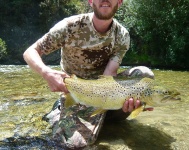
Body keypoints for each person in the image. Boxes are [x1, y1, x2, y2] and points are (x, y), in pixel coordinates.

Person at [23, 0, 154, 149]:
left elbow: (109, 75)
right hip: (75, 91)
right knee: (75, 145)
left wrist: (136, 102)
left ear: (119, 2)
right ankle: (61, 107)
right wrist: (46, 73)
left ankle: (104, 115)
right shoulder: (69, 26)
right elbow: (30, 52)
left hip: (104, 92)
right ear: (90, 1)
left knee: (144, 75)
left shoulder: (122, 35)